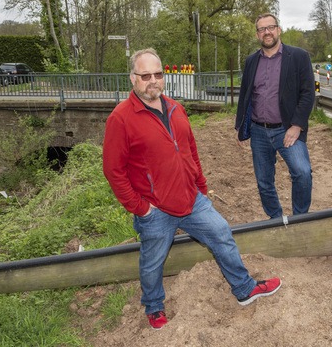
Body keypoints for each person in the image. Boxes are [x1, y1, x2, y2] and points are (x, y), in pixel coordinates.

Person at [103, 48, 281, 330]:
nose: (153, 80)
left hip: (191, 199)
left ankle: (244, 289)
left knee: (222, 234)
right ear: (133, 79)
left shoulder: (175, 108)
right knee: (153, 261)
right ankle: (154, 307)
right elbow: (113, 171)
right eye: (145, 75)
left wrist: (201, 186)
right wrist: (141, 208)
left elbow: (190, 149)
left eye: (158, 74)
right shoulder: (121, 118)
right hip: (155, 208)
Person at [235, 13, 315, 219]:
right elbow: (245, 95)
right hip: (258, 131)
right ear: (257, 34)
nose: (267, 32)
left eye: (270, 27)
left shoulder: (298, 56)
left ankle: (299, 219)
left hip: (287, 129)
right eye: (262, 29)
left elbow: (308, 93)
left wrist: (297, 125)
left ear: (278, 30)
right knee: (263, 181)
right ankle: (276, 219)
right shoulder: (251, 61)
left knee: (302, 173)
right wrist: (240, 127)